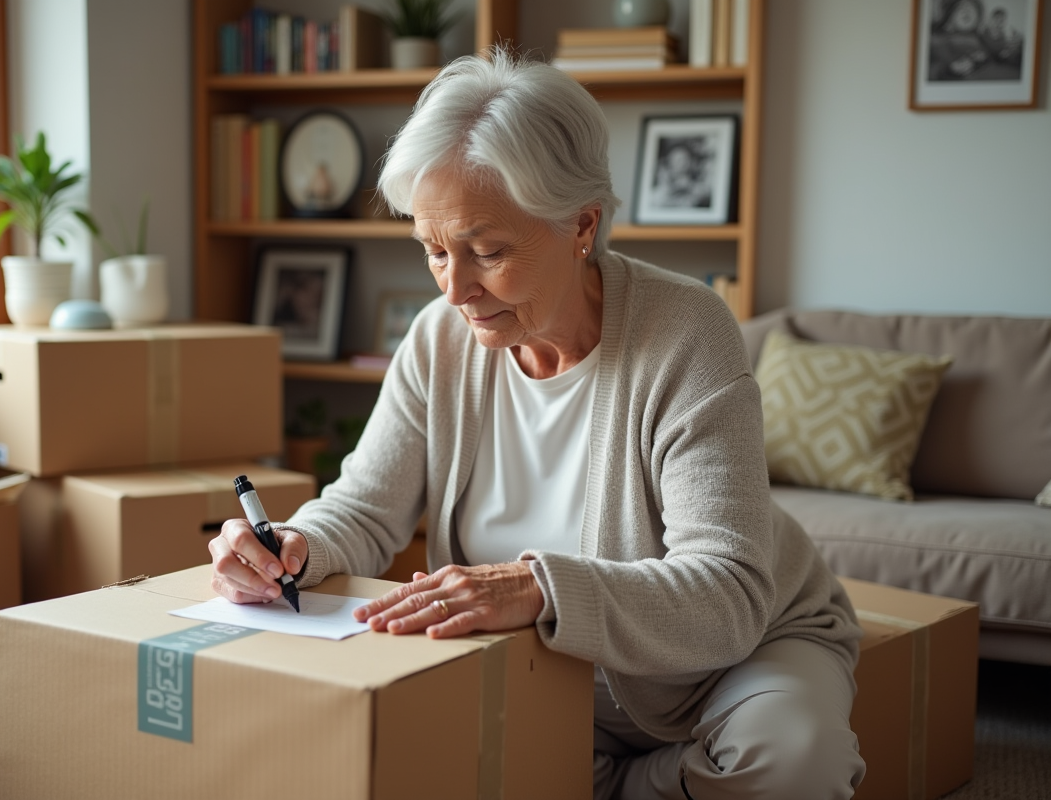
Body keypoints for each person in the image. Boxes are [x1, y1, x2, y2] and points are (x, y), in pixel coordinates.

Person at [210, 50, 865, 800]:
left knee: (791, 763)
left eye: (487, 252)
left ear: (581, 225)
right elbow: (364, 507)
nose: (455, 288)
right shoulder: (438, 338)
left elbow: (727, 595)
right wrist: (292, 545)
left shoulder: (688, 331)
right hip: (545, 671)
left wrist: (536, 588)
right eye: (432, 251)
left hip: (728, 661)